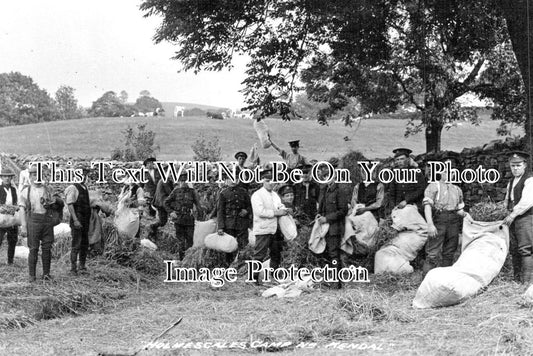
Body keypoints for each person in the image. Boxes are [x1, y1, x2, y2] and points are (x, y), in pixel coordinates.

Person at [422, 156, 466, 275]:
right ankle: (426, 282)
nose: (449, 174)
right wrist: (430, 225)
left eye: (451, 172)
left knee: (449, 252)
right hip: (439, 220)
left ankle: (444, 280)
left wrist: (469, 217)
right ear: (440, 172)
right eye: (446, 171)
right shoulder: (434, 186)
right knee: (433, 253)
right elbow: (427, 206)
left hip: (453, 222)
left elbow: (459, 210)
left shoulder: (457, 189)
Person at [316, 157, 350, 289]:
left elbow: (343, 210)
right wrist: (319, 214)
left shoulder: (339, 191)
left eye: (328, 176)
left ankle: (336, 283)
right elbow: (322, 207)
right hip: (323, 227)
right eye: (324, 176)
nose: (326, 179)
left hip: (334, 228)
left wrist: (327, 218)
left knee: (334, 253)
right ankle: (330, 279)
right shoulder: (323, 190)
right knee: (326, 253)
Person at [19, 166, 57, 282]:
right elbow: (22, 209)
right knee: (33, 249)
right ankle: (32, 275)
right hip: (33, 222)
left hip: (47, 222)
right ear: (30, 177)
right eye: (34, 175)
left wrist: (53, 204)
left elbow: (56, 204)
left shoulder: (48, 189)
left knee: (47, 248)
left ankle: (46, 274)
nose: (37, 178)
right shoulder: (26, 191)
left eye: (39, 175)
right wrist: (24, 226)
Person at [250, 168, 288, 284]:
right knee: (259, 254)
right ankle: (253, 278)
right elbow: (260, 212)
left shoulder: (275, 195)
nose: (270, 183)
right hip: (263, 229)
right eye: (267, 180)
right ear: (262, 181)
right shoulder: (257, 195)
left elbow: (279, 205)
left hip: (274, 229)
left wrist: (284, 209)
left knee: (276, 253)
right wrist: (276, 213)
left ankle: (273, 275)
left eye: (272, 181)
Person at [502, 151, 533, 284]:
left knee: (525, 249)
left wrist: (513, 214)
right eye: (513, 165)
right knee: (514, 249)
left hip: (525, 218)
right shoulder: (511, 182)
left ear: (524, 165)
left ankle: (526, 282)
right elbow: (507, 200)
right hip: (512, 218)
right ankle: (517, 279)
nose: (515, 168)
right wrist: (504, 212)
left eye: (518, 165)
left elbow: (527, 202)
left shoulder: (529, 180)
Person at [164, 171, 203, 259]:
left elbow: (198, 204)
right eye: (182, 180)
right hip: (178, 219)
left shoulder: (193, 192)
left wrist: (200, 218)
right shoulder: (176, 191)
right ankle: (181, 259)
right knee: (181, 241)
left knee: (190, 240)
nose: (184, 182)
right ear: (179, 181)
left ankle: (188, 259)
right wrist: (171, 212)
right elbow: (166, 202)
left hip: (189, 219)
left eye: (185, 180)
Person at [217, 175, 252, 266]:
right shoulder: (223, 193)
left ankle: (242, 265)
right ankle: (228, 265)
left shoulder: (243, 192)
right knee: (229, 246)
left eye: (235, 178)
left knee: (243, 245)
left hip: (242, 223)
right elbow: (220, 211)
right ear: (226, 181)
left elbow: (250, 206)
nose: (233, 181)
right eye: (230, 179)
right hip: (229, 223)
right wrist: (220, 227)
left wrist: (246, 211)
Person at [64, 166, 92, 275]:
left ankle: (82, 266)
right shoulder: (73, 187)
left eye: (85, 175)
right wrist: (75, 220)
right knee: (76, 243)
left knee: (85, 243)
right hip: (78, 219)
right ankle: (73, 268)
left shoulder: (84, 187)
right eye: (82, 174)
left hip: (85, 219)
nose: (84, 177)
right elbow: (70, 204)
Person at [388, 148, 427, 212]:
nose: (399, 161)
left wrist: (407, 200)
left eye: (402, 159)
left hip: (414, 205)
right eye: (397, 159)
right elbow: (392, 193)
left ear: (408, 159)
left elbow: (420, 189)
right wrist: (392, 208)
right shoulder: (394, 173)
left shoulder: (416, 172)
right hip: (398, 206)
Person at [0, 169, 18, 265]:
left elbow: (16, 202)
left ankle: (10, 261)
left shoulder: (14, 190)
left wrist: (15, 207)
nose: (7, 178)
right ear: (1, 178)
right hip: (1, 219)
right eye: (5, 176)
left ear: (11, 178)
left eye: (9, 176)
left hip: (12, 218)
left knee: (12, 240)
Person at [148, 177, 175, 242]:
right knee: (163, 221)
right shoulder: (165, 181)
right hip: (161, 203)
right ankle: (152, 230)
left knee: (164, 221)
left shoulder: (164, 179)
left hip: (161, 202)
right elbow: (170, 193)